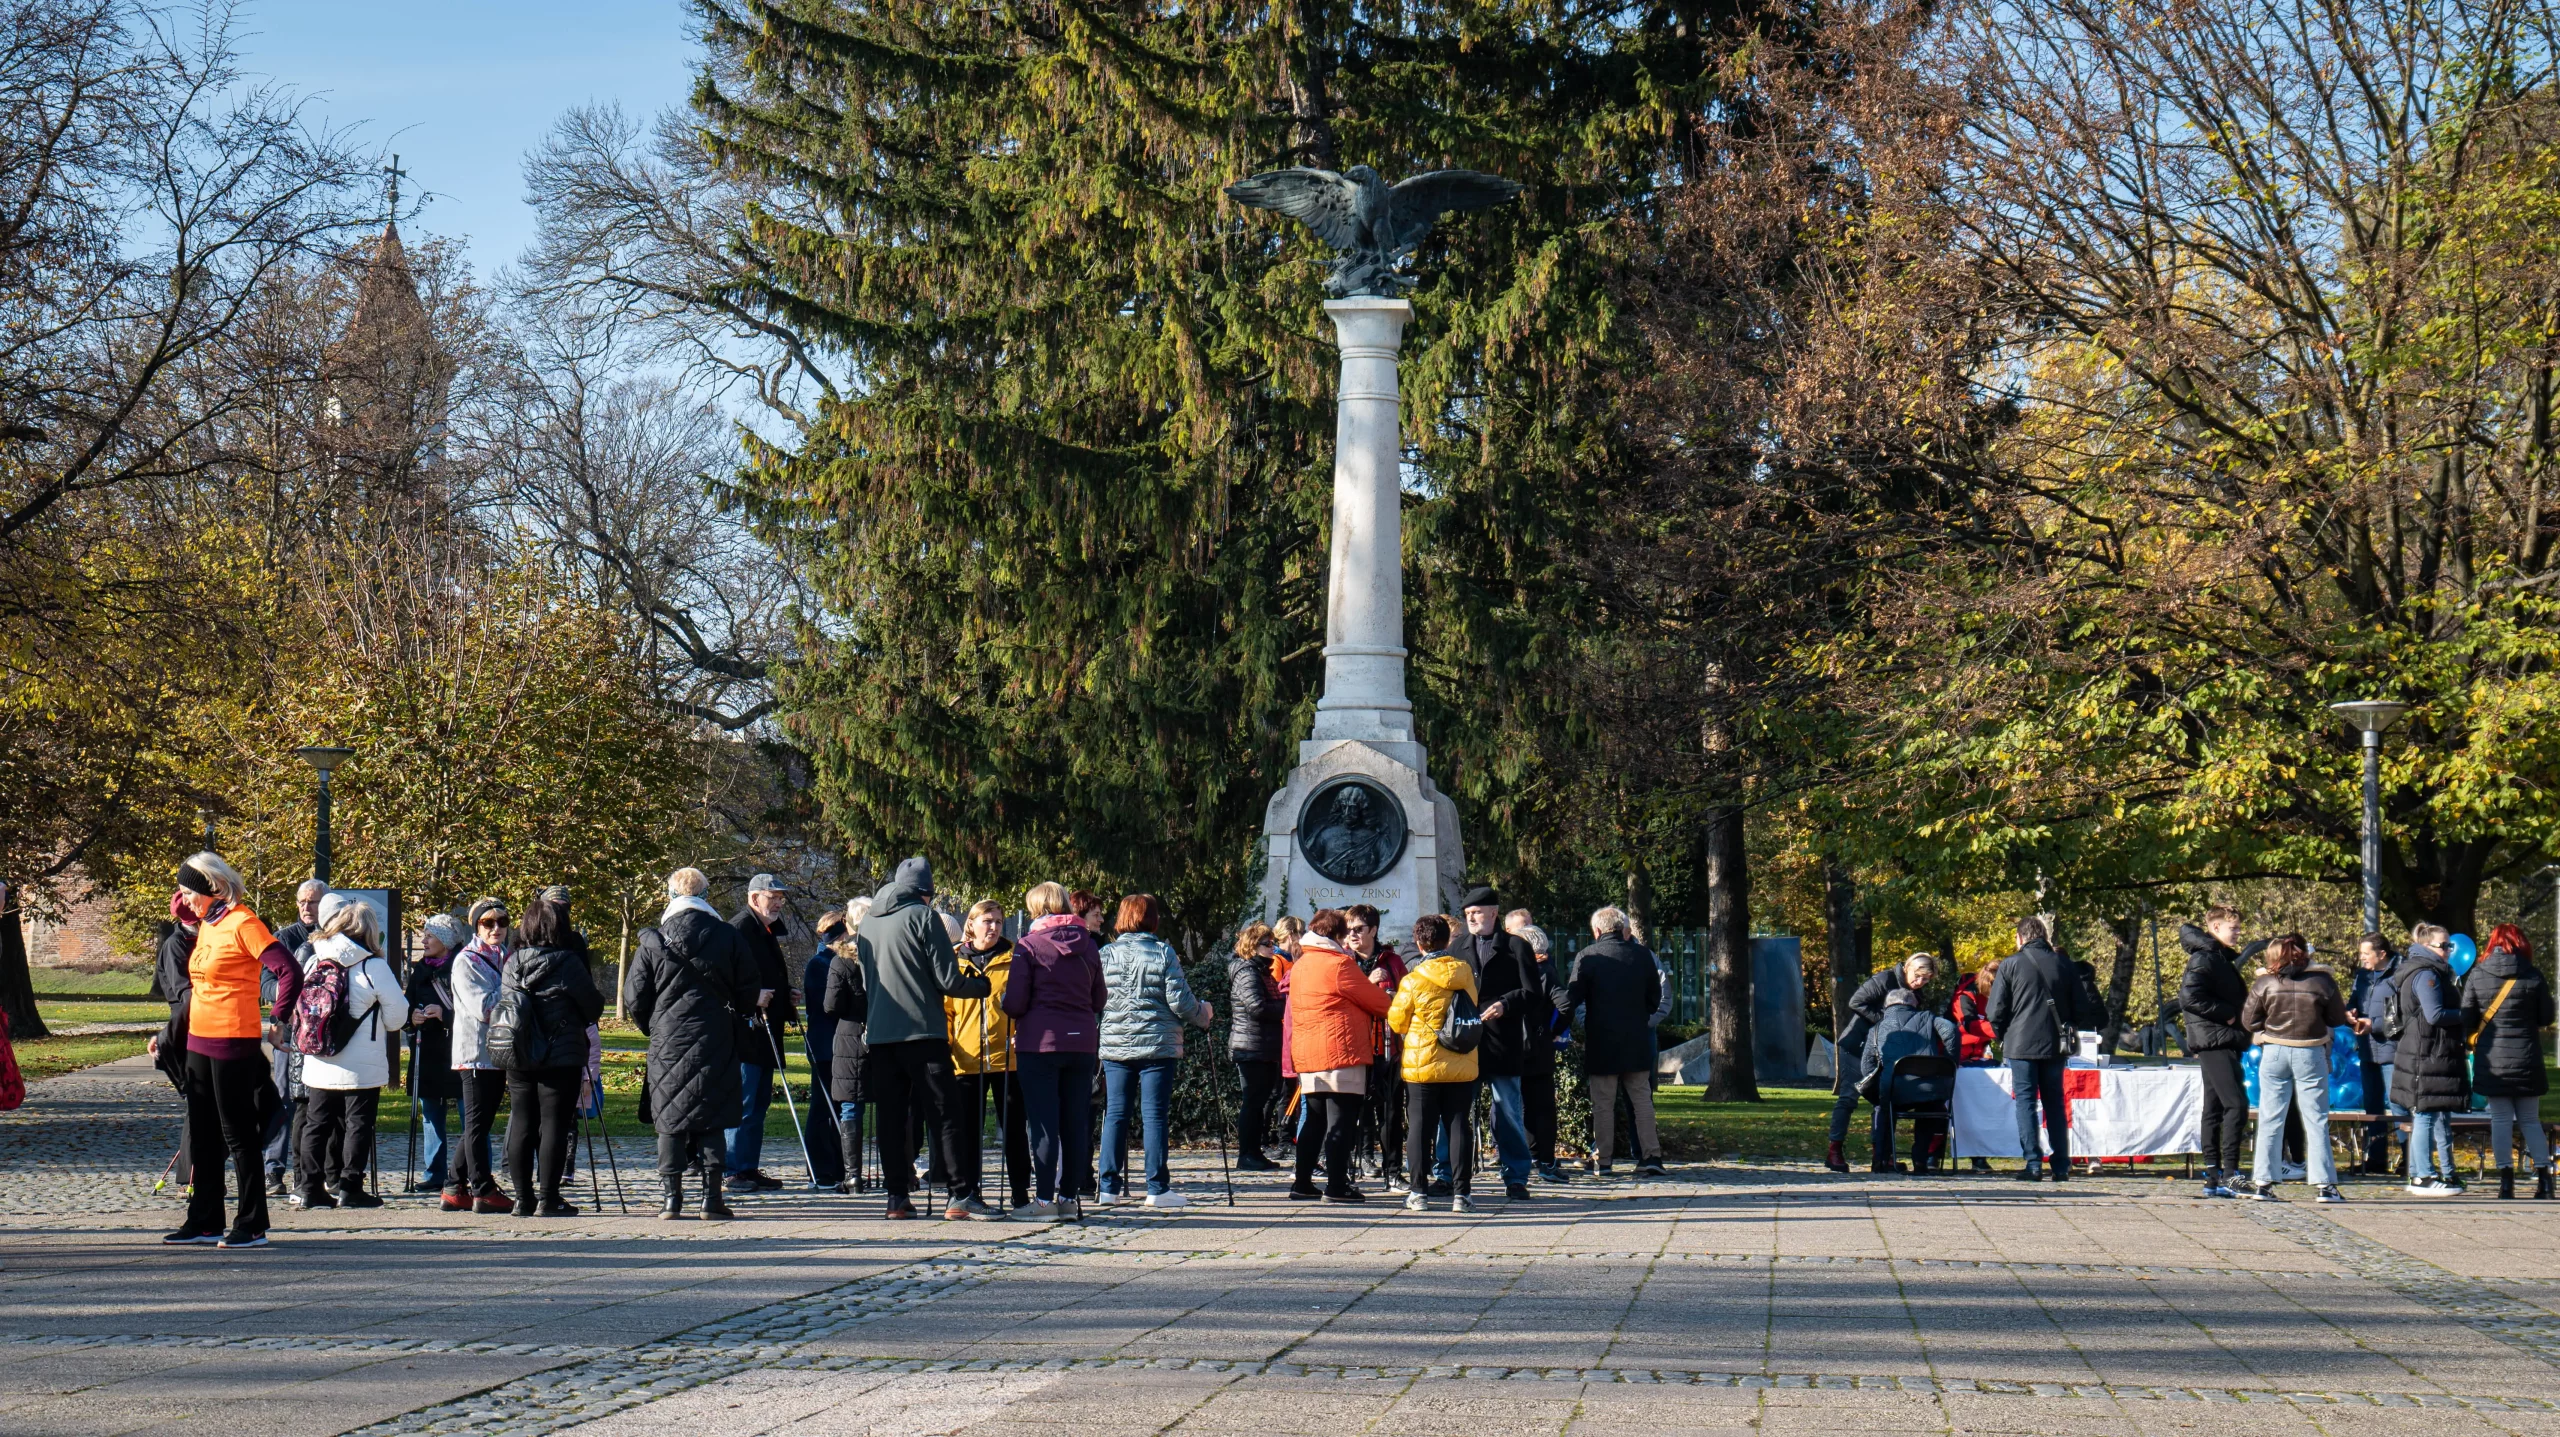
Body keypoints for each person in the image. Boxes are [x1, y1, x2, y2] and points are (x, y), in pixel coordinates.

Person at [164, 853, 302, 1249]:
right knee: (203, 1135)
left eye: (190, 892)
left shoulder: (244, 921)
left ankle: (252, 1223)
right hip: (198, 1041)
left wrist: (278, 1021)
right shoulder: (209, 923)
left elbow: (289, 970)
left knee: (238, 1135)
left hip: (232, 1040)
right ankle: (204, 1220)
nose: (184, 899)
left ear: (211, 889)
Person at [858, 856, 993, 1220]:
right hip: (923, 1031)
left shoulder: (868, 922)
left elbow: (868, 980)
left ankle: (896, 1197)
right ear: (926, 892)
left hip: (882, 1035)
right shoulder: (923, 917)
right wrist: (980, 986)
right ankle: (960, 1194)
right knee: (944, 1113)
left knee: (892, 1118)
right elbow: (948, 980)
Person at [626, 868, 754, 1220]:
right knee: (713, 1117)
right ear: (706, 895)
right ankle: (712, 1199)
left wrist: (654, 1026)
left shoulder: (653, 940)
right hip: (716, 1036)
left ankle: (672, 1199)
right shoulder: (728, 936)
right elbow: (749, 989)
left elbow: (634, 996)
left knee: (670, 1118)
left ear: (670, 895)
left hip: (668, 1039)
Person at [292, 894, 409, 1210]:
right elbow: (398, 1016)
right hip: (361, 1062)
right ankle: (350, 1187)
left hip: (319, 1057)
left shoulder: (315, 960)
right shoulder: (372, 966)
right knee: (358, 1123)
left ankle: (310, 1187)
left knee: (316, 1123)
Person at [1098, 893, 1213, 1208]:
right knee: (1153, 1116)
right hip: (1157, 1045)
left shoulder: (1105, 954)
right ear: (1153, 918)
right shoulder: (1163, 953)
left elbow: (1096, 1000)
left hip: (1116, 1045)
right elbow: (1180, 1001)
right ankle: (1157, 1189)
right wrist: (1204, 1014)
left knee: (1116, 1114)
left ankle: (1107, 1187)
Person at [494, 893, 604, 1217]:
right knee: (554, 1123)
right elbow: (593, 1007)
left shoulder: (512, 962)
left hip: (520, 1051)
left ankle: (522, 1197)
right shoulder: (567, 962)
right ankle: (548, 1197)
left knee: (522, 1121)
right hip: (561, 1051)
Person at [1005, 881, 1107, 1220]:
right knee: (1075, 1122)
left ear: (1037, 909)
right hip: (1081, 1044)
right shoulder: (1089, 945)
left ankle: (1045, 1201)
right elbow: (1099, 999)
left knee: (1044, 1123)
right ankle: (1069, 1198)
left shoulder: (1028, 946)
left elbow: (1015, 1002)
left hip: (1040, 1043)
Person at [2240, 932, 2361, 1204]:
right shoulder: (2322, 981)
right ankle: (2325, 1187)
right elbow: (2334, 1017)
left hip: (2273, 1051)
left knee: (2271, 1118)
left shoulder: (2264, 982)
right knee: (2316, 1119)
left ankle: (2263, 1183)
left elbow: (2249, 1021)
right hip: (2310, 1051)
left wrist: (2266, 1029)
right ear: (2304, 953)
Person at [1986, 916, 2102, 1182]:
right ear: (2044, 937)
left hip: (2020, 1043)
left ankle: (2033, 1162)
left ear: (2020, 938)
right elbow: (2083, 1008)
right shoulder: (2064, 964)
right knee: (2054, 1103)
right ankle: (2060, 1165)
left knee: (2026, 1103)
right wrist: (2067, 1025)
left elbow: (1995, 1010)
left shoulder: (2011, 964)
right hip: (2055, 1044)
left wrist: (2004, 1035)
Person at [1290, 908, 1392, 1202]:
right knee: (1341, 1121)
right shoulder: (1338, 965)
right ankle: (1336, 1186)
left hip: (1308, 1053)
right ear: (1338, 935)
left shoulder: (1301, 964)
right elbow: (1377, 1003)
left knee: (1314, 1121)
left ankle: (1303, 1183)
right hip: (1341, 1051)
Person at [1387, 914, 1480, 1212]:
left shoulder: (1413, 979)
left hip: (1422, 1063)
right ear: (1447, 940)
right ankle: (1461, 1196)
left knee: (1420, 1128)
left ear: (1419, 942)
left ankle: (1419, 1193)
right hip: (1460, 1060)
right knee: (1457, 1126)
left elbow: (1398, 1022)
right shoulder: (1465, 972)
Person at [1462, 887, 1550, 1200]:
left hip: (1503, 1041)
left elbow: (1531, 993)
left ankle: (1515, 1176)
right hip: (1466, 1043)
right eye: (1467, 913)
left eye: (1477, 912)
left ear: (1494, 913)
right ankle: (1448, 1173)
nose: (1471, 918)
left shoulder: (1516, 946)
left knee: (1509, 1111)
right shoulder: (1459, 947)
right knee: (1456, 1111)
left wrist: (1505, 1003)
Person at [1567, 906, 1665, 1175]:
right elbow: (1655, 998)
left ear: (1597, 931)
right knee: (1642, 1100)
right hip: (1635, 1038)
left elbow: (1573, 997)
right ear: (1623, 929)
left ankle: (1604, 1160)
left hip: (1602, 1040)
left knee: (1603, 1103)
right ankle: (1651, 1156)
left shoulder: (1588, 956)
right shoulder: (1644, 955)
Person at [949, 899, 1030, 1212]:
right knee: (969, 1130)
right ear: (972, 924)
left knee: (1014, 1128)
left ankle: (1020, 1193)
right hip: (966, 1057)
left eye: (998, 921)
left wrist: (1021, 1030)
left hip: (1007, 1057)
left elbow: (1026, 1002)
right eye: (987, 921)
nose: (994, 927)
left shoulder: (1016, 958)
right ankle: (969, 1192)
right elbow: (946, 1007)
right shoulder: (954, 959)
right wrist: (948, 1043)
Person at [2462, 924, 2553, 1200]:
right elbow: (2546, 1016)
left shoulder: (2478, 973)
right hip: (2527, 1057)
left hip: (2492, 1059)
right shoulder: (2532, 974)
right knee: (2530, 1119)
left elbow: (2467, 1017)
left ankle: (2506, 1183)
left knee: (2500, 1119)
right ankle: (2545, 1182)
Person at [1827, 953, 1939, 1174]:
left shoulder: (1916, 993)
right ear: (1907, 967)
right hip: (1858, 1044)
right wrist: (1886, 1022)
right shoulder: (1883, 980)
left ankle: (1882, 1155)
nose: (1919, 983)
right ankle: (1835, 1150)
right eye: (1917, 977)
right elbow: (1856, 1002)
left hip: (1885, 1050)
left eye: (1925, 980)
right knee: (1849, 1097)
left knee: (1883, 1098)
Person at [722, 874, 799, 1193]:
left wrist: (785, 993)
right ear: (755, 898)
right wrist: (752, 996)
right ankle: (732, 1169)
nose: (779, 902)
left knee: (759, 1102)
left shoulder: (765, 929)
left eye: (781, 897)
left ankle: (748, 1166)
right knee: (744, 1100)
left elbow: (766, 974)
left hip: (768, 1029)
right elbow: (727, 978)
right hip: (746, 1031)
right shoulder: (739, 928)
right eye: (773, 896)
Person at [2177, 908, 2254, 1197]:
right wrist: (2227, 1015)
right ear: (2216, 927)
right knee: (2236, 1104)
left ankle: (2214, 1173)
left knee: (2215, 1106)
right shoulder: (2206, 956)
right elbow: (2189, 997)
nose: (2238, 933)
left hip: (2219, 1038)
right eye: (2233, 928)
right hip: (2214, 1039)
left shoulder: (2217, 956)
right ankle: (2231, 1171)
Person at [261, 877, 329, 1199]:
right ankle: (273, 1170)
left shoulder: (334, 936)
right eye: (302, 901)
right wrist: (288, 996)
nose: (306, 907)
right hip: (289, 1033)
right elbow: (265, 983)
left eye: (313, 901)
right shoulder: (283, 938)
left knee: (318, 1103)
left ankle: (317, 1172)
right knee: (283, 1098)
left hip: (323, 1034)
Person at [2390, 923, 2469, 1195]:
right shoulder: (2426, 974)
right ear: (2426, 946)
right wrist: (2466, 1014)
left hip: (2428, 1050)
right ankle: (2422, 1175)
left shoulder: (2431, 971)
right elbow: (2434, 1015)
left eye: (2450, 946)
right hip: (2427, 1052)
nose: (2448, 950)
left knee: (2429, 1114)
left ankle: (2420, 1173)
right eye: (2443, 945)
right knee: (2424, 1115)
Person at [449, 898, 515, 1213]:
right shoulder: (467, 960)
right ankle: (482, 1186)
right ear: (477, 926)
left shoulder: (507, 956)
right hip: (475, 1052)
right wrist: (514, 989)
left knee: (481, 1123)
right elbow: (484, 1008)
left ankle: (453, 1184)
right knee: (476, 1123)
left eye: (501, 922)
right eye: (488, 923)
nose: (496, 928)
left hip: (500, 1052)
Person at [1340, 903, 1407, 1187]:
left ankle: (1393, 1172)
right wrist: (1368, 984)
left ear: (1374, 930)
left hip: (1388, 1048)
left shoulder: (1392, 962)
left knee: (1390, 1114)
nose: (1353, 935)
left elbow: (1406, 1001)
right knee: (1351, 1113)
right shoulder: (1343, 962)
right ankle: (1348, 1170)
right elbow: (1341, 1003)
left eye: (1359, 929)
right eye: (1349, 930)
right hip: (1354, 1048)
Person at [404, 913, 469, 1200]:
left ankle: (474, 1172)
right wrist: (413, 1017)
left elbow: (474, 1011)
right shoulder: (420, 969)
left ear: (445, 939)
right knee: (431, 1113)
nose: (424, 940)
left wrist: (445, 1015)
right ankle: (434, 1174)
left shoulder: (463, 965)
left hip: (459, 1048)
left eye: (430, 935)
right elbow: (406, 1005)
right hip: (428, 1049)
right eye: (424, 934)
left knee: (470, 1113)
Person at [1860, 988, 1958, 1173]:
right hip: (1931, 1087)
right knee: (1929, 1103)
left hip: (1893, 1090)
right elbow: (1951, 1030)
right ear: (1913, 1004)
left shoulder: (1877, 1028)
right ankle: (1920, 1160)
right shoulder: (1929, 1018)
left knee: (1883, 1108)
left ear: (1887, 1006)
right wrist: (1949, 1062)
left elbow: (1867, 1066)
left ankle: (1881, 1160)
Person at [820, 899, 874, 1193]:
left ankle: (853, 1176)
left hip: (852, 1035)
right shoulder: (887, 954)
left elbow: (831, 1005)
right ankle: (902, 1173)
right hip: (884, 1032)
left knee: (851, 1107)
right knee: (894, 1105)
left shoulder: (841, 960)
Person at [1227, 921, 1286, 1170]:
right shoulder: (1246, 971)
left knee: (1259, 1101)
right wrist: (1288, 1005)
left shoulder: (1260, 971)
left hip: (1262, 1045)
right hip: (1250, 1047)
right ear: (1253, 946)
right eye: (1267, 944)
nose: (1273, 948)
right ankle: (1246, 1155)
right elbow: (1257, 1007)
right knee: (1252, 1102)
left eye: (1273, 943)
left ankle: (1254, 1152)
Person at [2345, 932, 2403, 1176]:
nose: (2362, 958)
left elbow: (2397, 1018)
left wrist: (2372, 1024)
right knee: (2373, 1107)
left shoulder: (2398, 974)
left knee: (2398, 1105)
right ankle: (2376, 1158)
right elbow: (2354, 1001)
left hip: (2392, 1050)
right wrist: (2349, 1014)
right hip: (2367, 1049)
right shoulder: (2363, 976)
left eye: (2366, 953)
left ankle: (2410, 1159)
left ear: (2382, 954)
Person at [803, 910, 850, 1192]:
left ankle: (836, 1166)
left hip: (836, 1043)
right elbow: (827, 1006)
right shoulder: (821, 963)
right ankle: (819, 1170)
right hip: (825, 1044)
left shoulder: (833, 960)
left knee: (837, 1107)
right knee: (822, 1109)